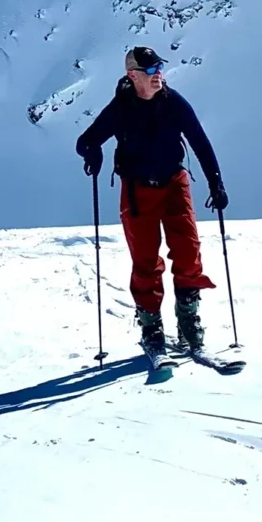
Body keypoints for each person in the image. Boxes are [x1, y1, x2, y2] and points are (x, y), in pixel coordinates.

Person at [74, 46, 228, 357]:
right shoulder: (120, 108)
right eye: (151, 70)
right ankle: (151, 327)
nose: (158, 74)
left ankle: (188, 321)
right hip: (137, 189)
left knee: (188, 251)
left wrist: (216, 183)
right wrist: (94, 151)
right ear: (133, 75)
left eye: (159, 68)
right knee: (145, 261)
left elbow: (199, 140)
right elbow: (85, 141)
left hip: (174, 183)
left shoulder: (173, 102)